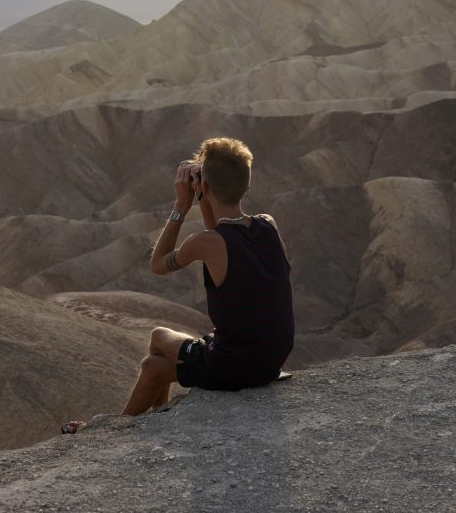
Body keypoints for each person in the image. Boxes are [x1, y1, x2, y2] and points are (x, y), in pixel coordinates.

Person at [62, 137, 294, 433]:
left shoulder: (205, 242)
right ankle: (155, 414)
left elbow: (158, 265)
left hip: (235, 366)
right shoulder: (267, 225)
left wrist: (181, 206)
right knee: (155, 367)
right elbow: (221, 232)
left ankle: (114, 431)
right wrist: (205, 195)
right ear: (246, 186)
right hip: (270, 360)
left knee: (158, 341)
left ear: (206, 187)